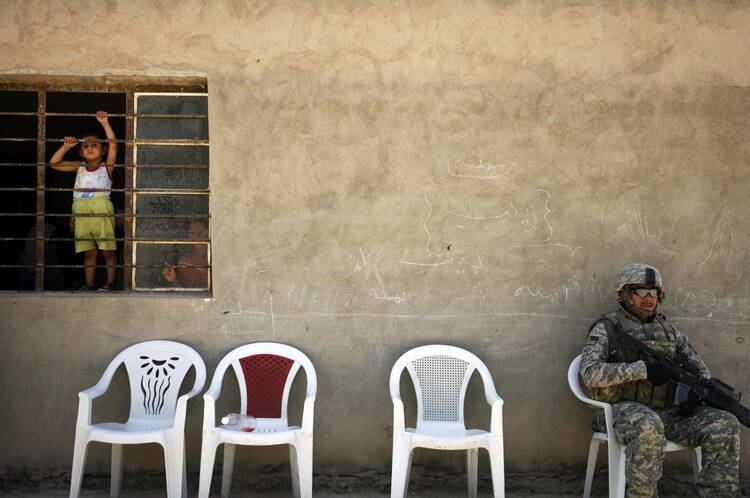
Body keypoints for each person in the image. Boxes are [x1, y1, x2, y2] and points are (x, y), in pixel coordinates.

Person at [579, 263, 740, 498]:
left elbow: (702, 371)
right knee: (648, 426)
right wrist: (642, 370)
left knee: (725, 423)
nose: (648, 298)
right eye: (641, 291)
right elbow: (590, 373)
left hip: (669, 413)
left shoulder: (670, 332)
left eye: (653, 292)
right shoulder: (607, 329)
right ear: (624, 294)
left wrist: (695, 393)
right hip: (620, 412)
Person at [49, 111, 117, 290]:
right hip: (81, 213)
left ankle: (110, 283)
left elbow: (113, 144)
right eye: (85, 146)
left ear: (103, 150)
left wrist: (105, 123)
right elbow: (53, 164)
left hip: (101, 210)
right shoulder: (79, 168)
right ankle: (89, 284)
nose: (89, 148)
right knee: (89, 252)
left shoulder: (106, 168)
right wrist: (65, 147)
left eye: (94, 145)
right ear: (80, 152)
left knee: (107, 250)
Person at [160, 220, 209, 288]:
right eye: (192, 233)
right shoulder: (185, 261)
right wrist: (174, 280)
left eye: (200, 233)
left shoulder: (214, 257)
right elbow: (184, 290)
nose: (196, 237)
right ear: (189, 235)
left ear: (208, 234)